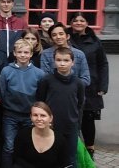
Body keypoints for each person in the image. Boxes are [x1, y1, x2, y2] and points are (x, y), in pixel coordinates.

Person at [0, 39, 46, 168]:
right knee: (9, 146)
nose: (23, 55)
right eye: (20, 52)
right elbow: (2, 92)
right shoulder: (6, 71)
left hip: (29, 116)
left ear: (31, 54)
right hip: (10, 115)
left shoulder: (39, 74)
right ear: (14, 53)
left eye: (26, 52)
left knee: (28, 145)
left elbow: (40, 96)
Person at [68, 11, 108, 158]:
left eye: (82, 20)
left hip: (90, 86)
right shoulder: (66, 38)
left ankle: (90, 149)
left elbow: (103, 64)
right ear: (71, 23)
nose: (78, 23)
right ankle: (73, 151)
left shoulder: (95, 41)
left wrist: (103, 86)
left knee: (88, 120)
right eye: (75, 20)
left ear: (86, 23)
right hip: (69, 85)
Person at [36, 47, 84, 166]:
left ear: (72, 62)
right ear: (54, 61)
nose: (62, 63)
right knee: (51, 157)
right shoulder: (46, 80)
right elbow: (40, 102)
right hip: (51, 126)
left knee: (71, 157)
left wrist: (77, 124)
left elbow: (80, 104)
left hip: (70, 126)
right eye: (58, 60)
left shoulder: (78, 83)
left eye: (66, 60)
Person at [12, 102, 70, 168]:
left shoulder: (60, 140)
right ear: (31, 117)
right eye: (35, 115)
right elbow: (18, 159)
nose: (39, 119)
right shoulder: (23, 135)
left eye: (43, 115)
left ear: (50, 118)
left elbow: (62, 164)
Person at [39, 22, 90, 86]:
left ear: (67, 36)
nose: (58, 37)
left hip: (74, 93)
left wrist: (70, 87)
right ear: (51, 39)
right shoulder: (46, 54)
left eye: (61, 34)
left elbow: (86, 79)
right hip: (53, 91)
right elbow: (44, 77)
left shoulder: (79, 54)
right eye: (54, 35)